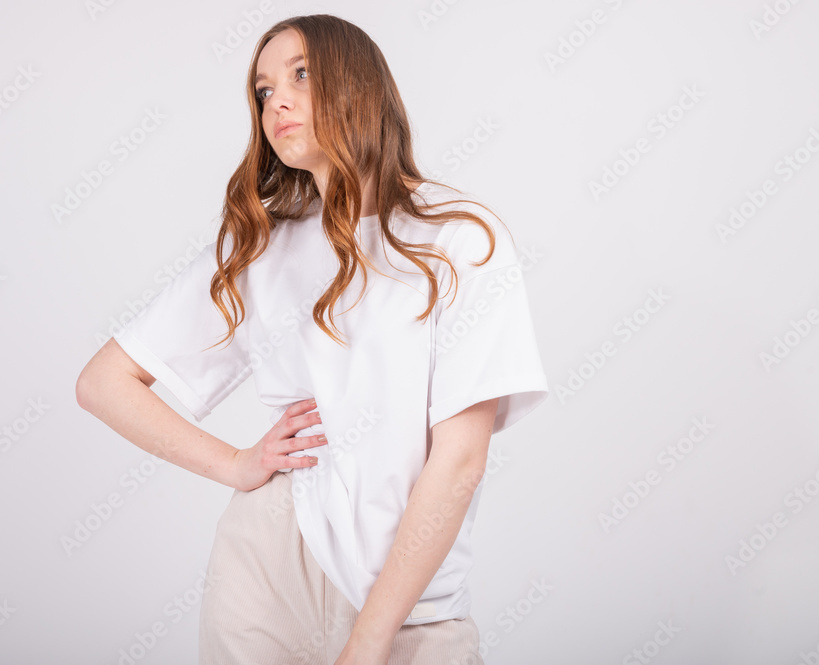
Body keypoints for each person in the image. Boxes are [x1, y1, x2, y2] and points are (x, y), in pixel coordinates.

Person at [76, 13, 548, 665]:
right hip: (266, 571)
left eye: (301, 74)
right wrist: (235, 464)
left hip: (413, 601)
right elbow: (102, 382)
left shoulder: (460, 240)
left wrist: (369, 636)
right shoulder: (259, 247)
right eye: (264, 90)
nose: (278, 101)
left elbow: (460, 461)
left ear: (359, 85)